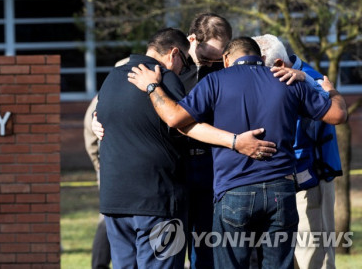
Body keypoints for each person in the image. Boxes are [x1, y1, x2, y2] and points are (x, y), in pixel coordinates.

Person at [126, 36, 348, 269]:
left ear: (226, 59)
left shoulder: (215, 81)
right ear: (262, 59)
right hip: (281, 190)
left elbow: (174, 118)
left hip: (233, 190)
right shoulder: (288, 80)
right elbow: (338, 115)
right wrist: (331, 91)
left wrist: (152, 87)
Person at [96, 29, 277, 268]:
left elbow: (102, 118)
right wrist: (235, 142)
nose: (184, 69)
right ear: (174, 53)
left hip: (115, 200)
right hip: (156, 198)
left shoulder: (113, 77)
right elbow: (186, 127)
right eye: (184, 60)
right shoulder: (166, 79)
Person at [253, 34, 342, 269]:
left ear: (280, 65)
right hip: (283, 180)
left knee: (314, 254)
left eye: (262, 71)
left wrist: (305, 81)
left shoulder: (310, 78)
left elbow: (335, 107)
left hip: (310, 179)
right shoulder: (283, 77)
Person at [180, 12, 232, 269]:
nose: (212, 64)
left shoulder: (227, 71)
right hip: (177, 168)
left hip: (214, 168)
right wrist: (96, 118)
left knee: (207, 247)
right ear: (192, 40)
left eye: (218, 58)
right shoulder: (173, 70)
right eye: (207, 57)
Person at [83, 57, 129, 269]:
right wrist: (99, 165)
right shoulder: (104, 97)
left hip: (114, 166)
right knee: (107, 219)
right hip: (109, 166)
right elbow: (89, 134)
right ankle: (99, 264)